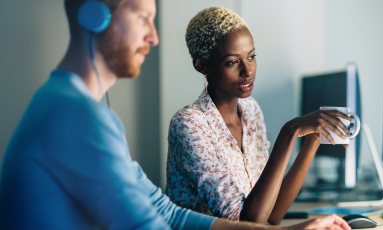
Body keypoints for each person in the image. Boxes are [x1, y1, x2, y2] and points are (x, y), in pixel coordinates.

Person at [0, 0, 349, 229]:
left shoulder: (80, 110)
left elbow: (166, 213)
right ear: (95, 15)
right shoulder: (73, 117)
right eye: (142, 17)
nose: (153, 37)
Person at [165, 7, 351, 225]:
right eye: (233, 62)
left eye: (251, 57)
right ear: (201, 65)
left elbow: (273, 214)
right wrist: (289, 133)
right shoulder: (189, 125)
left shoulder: (250, 110)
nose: (248, 70)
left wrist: (313, 141)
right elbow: (247, 223)